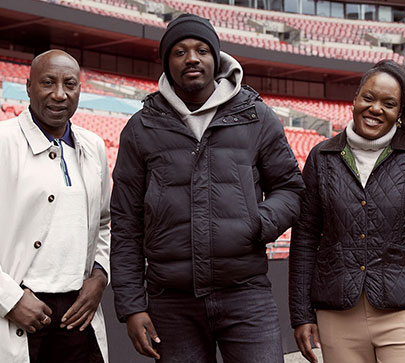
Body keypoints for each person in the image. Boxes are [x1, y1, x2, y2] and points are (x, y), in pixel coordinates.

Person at [110, 13, 304, 362]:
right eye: (180, 52)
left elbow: (291, 189)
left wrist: (256, 222)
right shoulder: (141, 128)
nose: (192, 58)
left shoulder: (256, 116)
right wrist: (131, 305)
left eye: (201, 49)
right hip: (171, 301)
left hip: (245, 294)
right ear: (168, 63)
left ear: (216, 58)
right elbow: (126, 221)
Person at [289, 60, 405, 363]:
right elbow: (304, 238)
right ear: (355, 99)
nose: (376, 108)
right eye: (368, 98)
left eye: (388, 103)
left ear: (400, 112)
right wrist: (300, 313)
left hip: (404, 311)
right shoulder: (321, 157)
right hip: (337, 312)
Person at [0, 50, 110, 362]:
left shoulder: (94, 146)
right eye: (48, 82)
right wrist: (10, 300)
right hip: (20, 310)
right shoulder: (3, 141)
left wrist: (100, 276)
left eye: (70, 84)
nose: (59, 95)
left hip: (77, 313)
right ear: (28, 86)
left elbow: (104, 224)